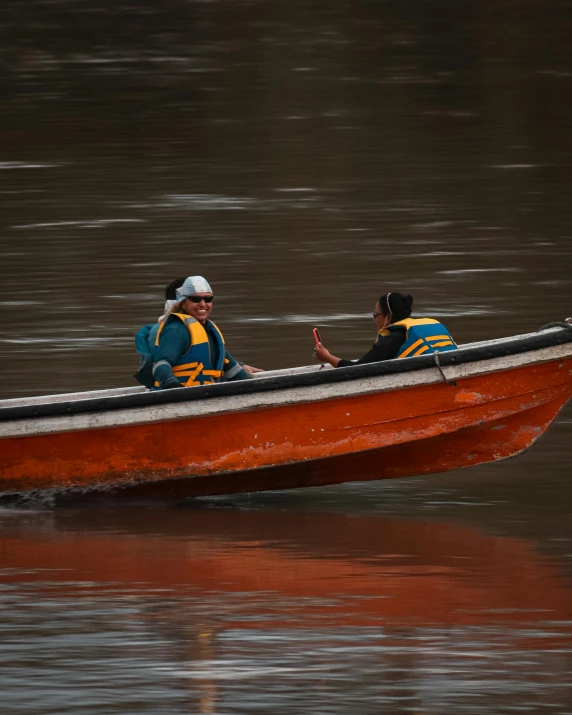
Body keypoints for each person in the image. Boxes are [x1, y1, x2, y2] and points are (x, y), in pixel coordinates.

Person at [135, 276, 257, 390]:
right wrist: (173, 385)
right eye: (195, 299)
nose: (203, 304)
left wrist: (251, 384)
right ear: (182, 302)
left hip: (207, 391)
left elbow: (229, 365)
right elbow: (161, 364)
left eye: (208, 299)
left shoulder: (208, 329)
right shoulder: (176, 330)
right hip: (181, 393)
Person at [314, 292, 457, 368]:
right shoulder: (422, 327)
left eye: (376, 315)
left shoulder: (393, 340)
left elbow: (356, 369)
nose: (375, 319)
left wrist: (327, 357)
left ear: (388, 318)